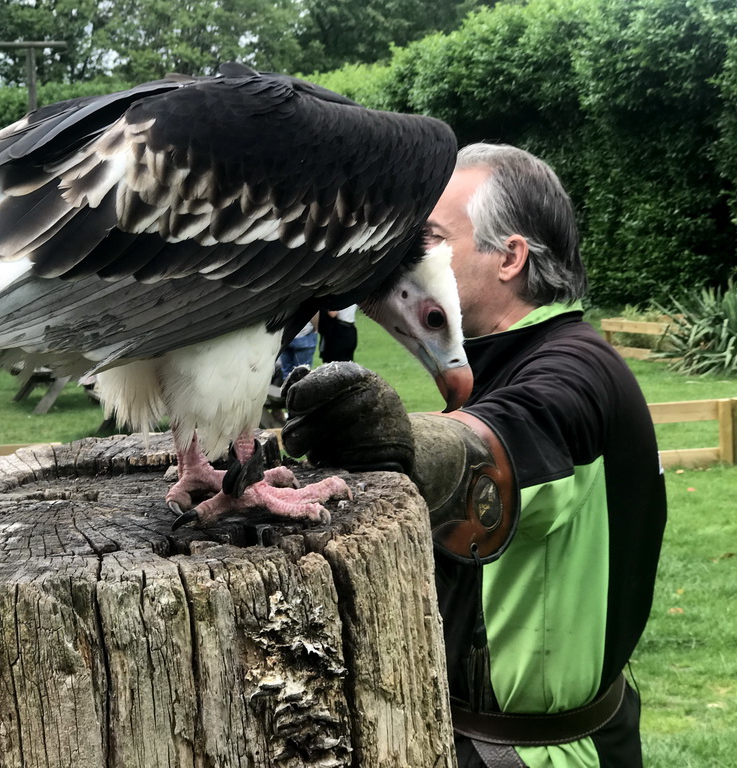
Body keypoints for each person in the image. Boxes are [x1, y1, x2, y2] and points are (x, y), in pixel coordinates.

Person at [282, 143, 667, 767]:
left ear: (510, 257)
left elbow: (491, 453)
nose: (402, 256)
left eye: (428, 238)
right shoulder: (506, 363)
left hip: (536, 753)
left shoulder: (575, 369)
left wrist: (397, 442)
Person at [278, 315, 318, 382]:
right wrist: (316, 327)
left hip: (285, 334)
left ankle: (285, 391)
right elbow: (315, 315)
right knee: (302, 374)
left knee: (286, 372)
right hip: (304, 334)